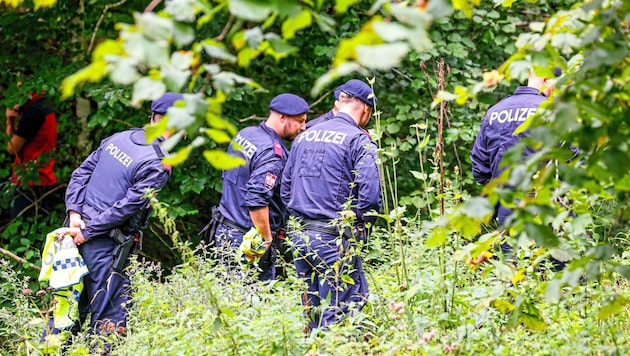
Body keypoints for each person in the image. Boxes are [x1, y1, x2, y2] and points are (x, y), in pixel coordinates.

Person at [54, 92, 181, 339]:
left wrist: (74, 213)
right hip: (104, 245)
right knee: (110, 324)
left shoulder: (120, 138)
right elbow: (126, 207)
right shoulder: (157, 163)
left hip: (73, 234)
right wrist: (86, 231)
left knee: (64, 313)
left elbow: (80, 174)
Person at [281, 79, 382, 332]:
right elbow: (370, 199)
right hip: (333, 240)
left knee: (312, 316)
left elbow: (285, 189)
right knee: (338, 316)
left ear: (340, 103)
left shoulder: (304, 137)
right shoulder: (359, 140)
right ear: (366, 110)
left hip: (299, 238)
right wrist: (359, 223)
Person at [211, 93, 309, 281]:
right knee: (255, 300)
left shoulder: (246, 134)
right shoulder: (273, 154)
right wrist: (266, 239)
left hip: (224, 228)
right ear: (282, 117)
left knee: (228, 297)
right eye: (300, 121)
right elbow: (256, 198)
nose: (303, 128)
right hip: (248, 239)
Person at [470, 67, 561, 254]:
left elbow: (479, 167)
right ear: (547, 79)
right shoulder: (550, 111)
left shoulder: (495, 111)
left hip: (508, 207)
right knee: (556, 274)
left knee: (511, 271)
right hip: (547, 208)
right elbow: (571, 155)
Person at [5, 84, 58, 218]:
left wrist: (9, 121)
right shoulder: (43, 104)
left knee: (18, 227)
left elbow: (12, 148)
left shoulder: (33, 113)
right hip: (44, 175)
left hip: (29, 180)